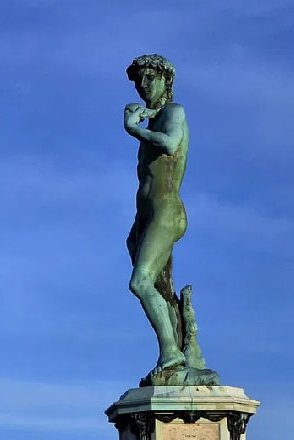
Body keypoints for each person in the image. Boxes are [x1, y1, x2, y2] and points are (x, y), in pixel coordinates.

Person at [123, 53, 188, 378]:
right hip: (147, 216)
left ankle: (171, 354)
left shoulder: (174, 112)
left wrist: (133, 129)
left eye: (150, 78)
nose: (143, 85)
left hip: (166, 212)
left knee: (140, 282)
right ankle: (180, 350)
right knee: (161, 291)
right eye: (139, 80)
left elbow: (171, 143)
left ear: (166, 80)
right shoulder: (152, 119)